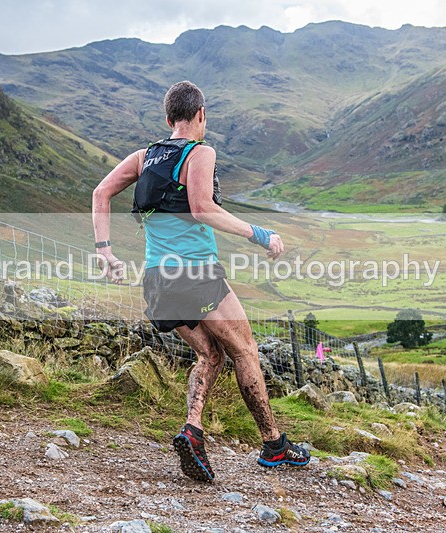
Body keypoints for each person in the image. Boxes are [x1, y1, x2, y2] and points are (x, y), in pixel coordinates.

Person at [91, 80, 310, 482]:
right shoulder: (199, 152)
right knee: (245, 350)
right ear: (201, 115)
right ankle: (274, 446)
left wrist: (104, 249)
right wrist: (260, 234)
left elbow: (101, 192)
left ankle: (192, 431)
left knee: (211, 355)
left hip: (158, 281)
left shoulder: (145, 157)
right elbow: (203, 208)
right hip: (196, 275)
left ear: (168, 117)